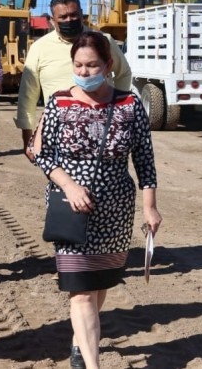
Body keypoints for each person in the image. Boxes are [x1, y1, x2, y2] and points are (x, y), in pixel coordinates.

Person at [31, 31, 162, 369]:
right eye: (78, 65)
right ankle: (92, 363)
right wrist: (70, 187)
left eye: (91, 65)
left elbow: (145, 160)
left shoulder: (130, 106)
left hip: (115, 211)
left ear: (108, 66)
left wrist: (150, 207)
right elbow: (41, 154)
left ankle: (80, 340)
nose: (84, 71)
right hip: (71, 211)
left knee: (100, 282)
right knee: (82, 291)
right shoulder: (59, 103)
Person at [16, 0, 133, 160]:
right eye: (63, 17)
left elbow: (124, 73)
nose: (69, 20)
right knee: (62, 181)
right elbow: (28, 95)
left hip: (101, 128)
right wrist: (28, 137)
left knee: (104, 178)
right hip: (58, 132)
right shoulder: (39, 48)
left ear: (81, 14)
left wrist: (117, 107)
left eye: (74, 15)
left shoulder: (103, 41)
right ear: (52, 20)